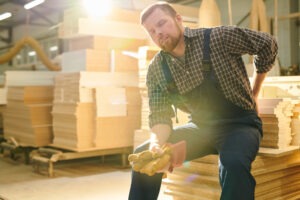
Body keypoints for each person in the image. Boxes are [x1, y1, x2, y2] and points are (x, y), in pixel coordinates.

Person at [128, 2, 278, 200]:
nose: (158, 33)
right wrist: (157, 145)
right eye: (152, 31)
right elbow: (159, 115)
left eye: (162, 23)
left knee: (233, 164)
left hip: (240, 125)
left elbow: (267, 44)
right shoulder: (157, 69)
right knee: (143, 156)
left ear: (178, 19)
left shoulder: (218, 38)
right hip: (200, 128)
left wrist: (255, 91)